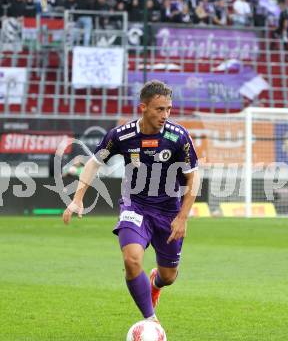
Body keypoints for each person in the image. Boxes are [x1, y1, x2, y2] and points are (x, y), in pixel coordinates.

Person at [62, 80, 199, 322]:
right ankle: (150, 321)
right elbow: (93, 163)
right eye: (159, 109)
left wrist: (182, 217)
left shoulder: (178, 137)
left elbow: (193, 177)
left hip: (168, 211)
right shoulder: (121, 136)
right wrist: (77, 199)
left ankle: (156, 283)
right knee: (132, 259)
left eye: (169, 109)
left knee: (168, 276)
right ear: (143, 107)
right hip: (135, 206)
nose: (165, 115)